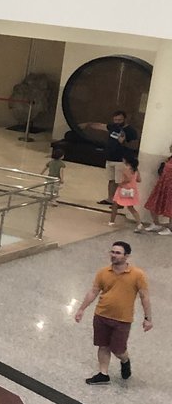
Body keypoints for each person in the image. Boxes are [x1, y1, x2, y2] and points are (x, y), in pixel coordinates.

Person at [74, 240, 152, 385]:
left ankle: (125, 360)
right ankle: (103, 374)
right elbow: (93, 292)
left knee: (118, 349)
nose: (114, 255)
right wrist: (81, 309)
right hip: (101, 315)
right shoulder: (103, 272)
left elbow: (144, 296)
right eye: (112, 252)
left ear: (126, 256)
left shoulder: (137, 275)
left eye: (118, 253)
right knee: (102, 345)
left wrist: (148, 318)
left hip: (122, 319)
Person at [100, 110, 139, 207]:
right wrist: (88, 124)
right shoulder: (113, 127)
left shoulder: (131, 131)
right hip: (110, 157)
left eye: (120, 120)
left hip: (121, 159)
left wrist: (124, 141)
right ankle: (110, 199)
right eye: (115, 120)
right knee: (111, 180)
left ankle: (120, 201)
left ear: (125, 119)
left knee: (120, 181)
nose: (117, 122)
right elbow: (101, 126)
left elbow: (134, 145)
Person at [142, 143, 172, 234]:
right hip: (162, 184)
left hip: (170, 186)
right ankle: (156, 223)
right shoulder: (169, 158)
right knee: (153, 203)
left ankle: (170, 228)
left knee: (170, 207)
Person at [110, 156, 146, 229]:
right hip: (132, 190)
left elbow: (124, 180)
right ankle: (139, 223)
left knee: (115, 205)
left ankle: (111, 221)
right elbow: (139, 180)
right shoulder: (136, 170)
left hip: (122, 189)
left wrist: (119, 182)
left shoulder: (125, 170)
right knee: (130, 207)